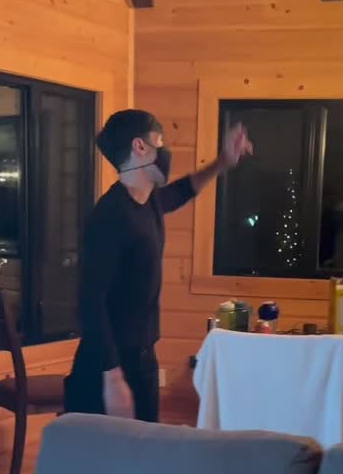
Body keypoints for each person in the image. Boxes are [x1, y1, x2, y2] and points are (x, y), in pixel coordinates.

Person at [65, 110, 252, 421]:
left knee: (146, 446)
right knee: (112, 452)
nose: (165, 150)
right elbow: (90, 301)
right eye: (159, 141)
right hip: (107, 366)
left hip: (141, 359)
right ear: (140, 146)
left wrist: (222, 162)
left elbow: (181, 191)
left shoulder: (148, 201)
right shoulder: (110, 215)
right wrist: (113, 379)